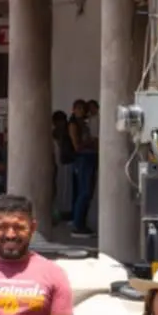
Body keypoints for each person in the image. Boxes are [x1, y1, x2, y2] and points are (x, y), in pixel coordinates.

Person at [68, 100, 98, 237]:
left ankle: (81, 223)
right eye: (79, 108)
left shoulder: (85, 124)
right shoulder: (74, 125)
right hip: (82, 159)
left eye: (83, 108)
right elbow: (77, 146)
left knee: (87, 192)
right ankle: (78, 225)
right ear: (74, 110)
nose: (82, 111)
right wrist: (91, 141)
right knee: (84, 192)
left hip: (89, 158)